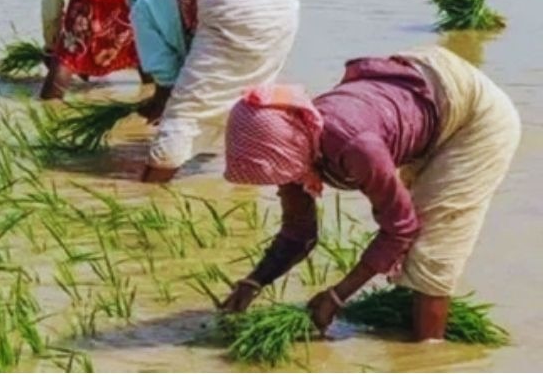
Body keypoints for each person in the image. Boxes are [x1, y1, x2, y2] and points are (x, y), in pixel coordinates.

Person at [220, 46, 520, 341]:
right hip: (425, 84)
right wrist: (254, 281)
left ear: (289, 146)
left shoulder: (356, 147)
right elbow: (300, 232)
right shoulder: (294, 140)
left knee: (432, 249)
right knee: (414, 251)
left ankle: (430, 354)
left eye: (279, 171)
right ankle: (404, 326)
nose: (281, 180)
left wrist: (338, 296)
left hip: (476, 115)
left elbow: (400, 228)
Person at [126, 0, 299, 182]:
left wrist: (156, 107)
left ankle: (149, 193)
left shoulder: (142, 5)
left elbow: (166, 79)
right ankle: (248, 189)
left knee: (183, 114)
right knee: (251, 101)